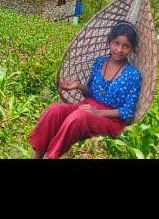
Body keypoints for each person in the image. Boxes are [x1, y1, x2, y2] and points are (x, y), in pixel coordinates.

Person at [28, 21, 142, 159]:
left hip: (111, 119)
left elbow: (127, 111)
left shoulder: (133, 75)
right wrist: (77, 86)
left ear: (131, 49)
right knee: (54, 110)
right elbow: (91, 93)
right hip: (87, 106)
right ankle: (37, 156)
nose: (119, 49)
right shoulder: (100, 62)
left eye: (126, 46)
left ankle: (52, 156)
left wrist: (99, 113)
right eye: (116, 43)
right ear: (109, 42)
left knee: (79, 117)